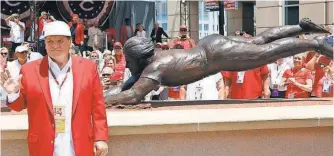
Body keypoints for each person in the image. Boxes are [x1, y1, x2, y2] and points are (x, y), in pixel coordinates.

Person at [104, 18, 332, 105]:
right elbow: (128, 85)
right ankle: (301, 27)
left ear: (137, 58)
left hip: (217, 56)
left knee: (267, 52)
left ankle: (316, 43)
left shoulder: (155, 68)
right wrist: (99, 94)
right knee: (260, 41)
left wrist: (101, 102)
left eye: (128, 60)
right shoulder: (154, 60)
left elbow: (133, 95)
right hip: (210, 45)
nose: (127, 65)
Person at [0, 21, 108, 156]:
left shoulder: (88, 68)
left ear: (70, 42)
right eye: (50, 41)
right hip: (44, 146)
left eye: (60, 41)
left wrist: (101, 138)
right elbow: (19, 106)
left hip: (78, 145)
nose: (55, 45)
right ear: (45, 43)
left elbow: (98, 106)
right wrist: (13, 93)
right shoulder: (29, 69)